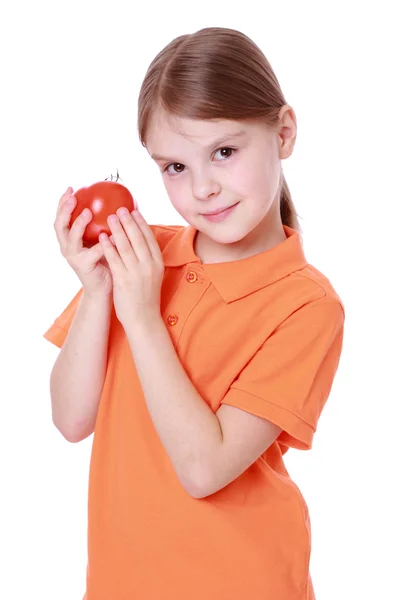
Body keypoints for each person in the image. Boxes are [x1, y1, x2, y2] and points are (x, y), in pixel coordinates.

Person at [44, 26, 345, 600]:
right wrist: (97, 289)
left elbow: (204, 469)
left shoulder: (306, 304)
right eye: (174, 167)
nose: (203, 188)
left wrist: (143, 316)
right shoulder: (141, 259)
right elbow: (70, 419)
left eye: (224, 152)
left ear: (282, 133)